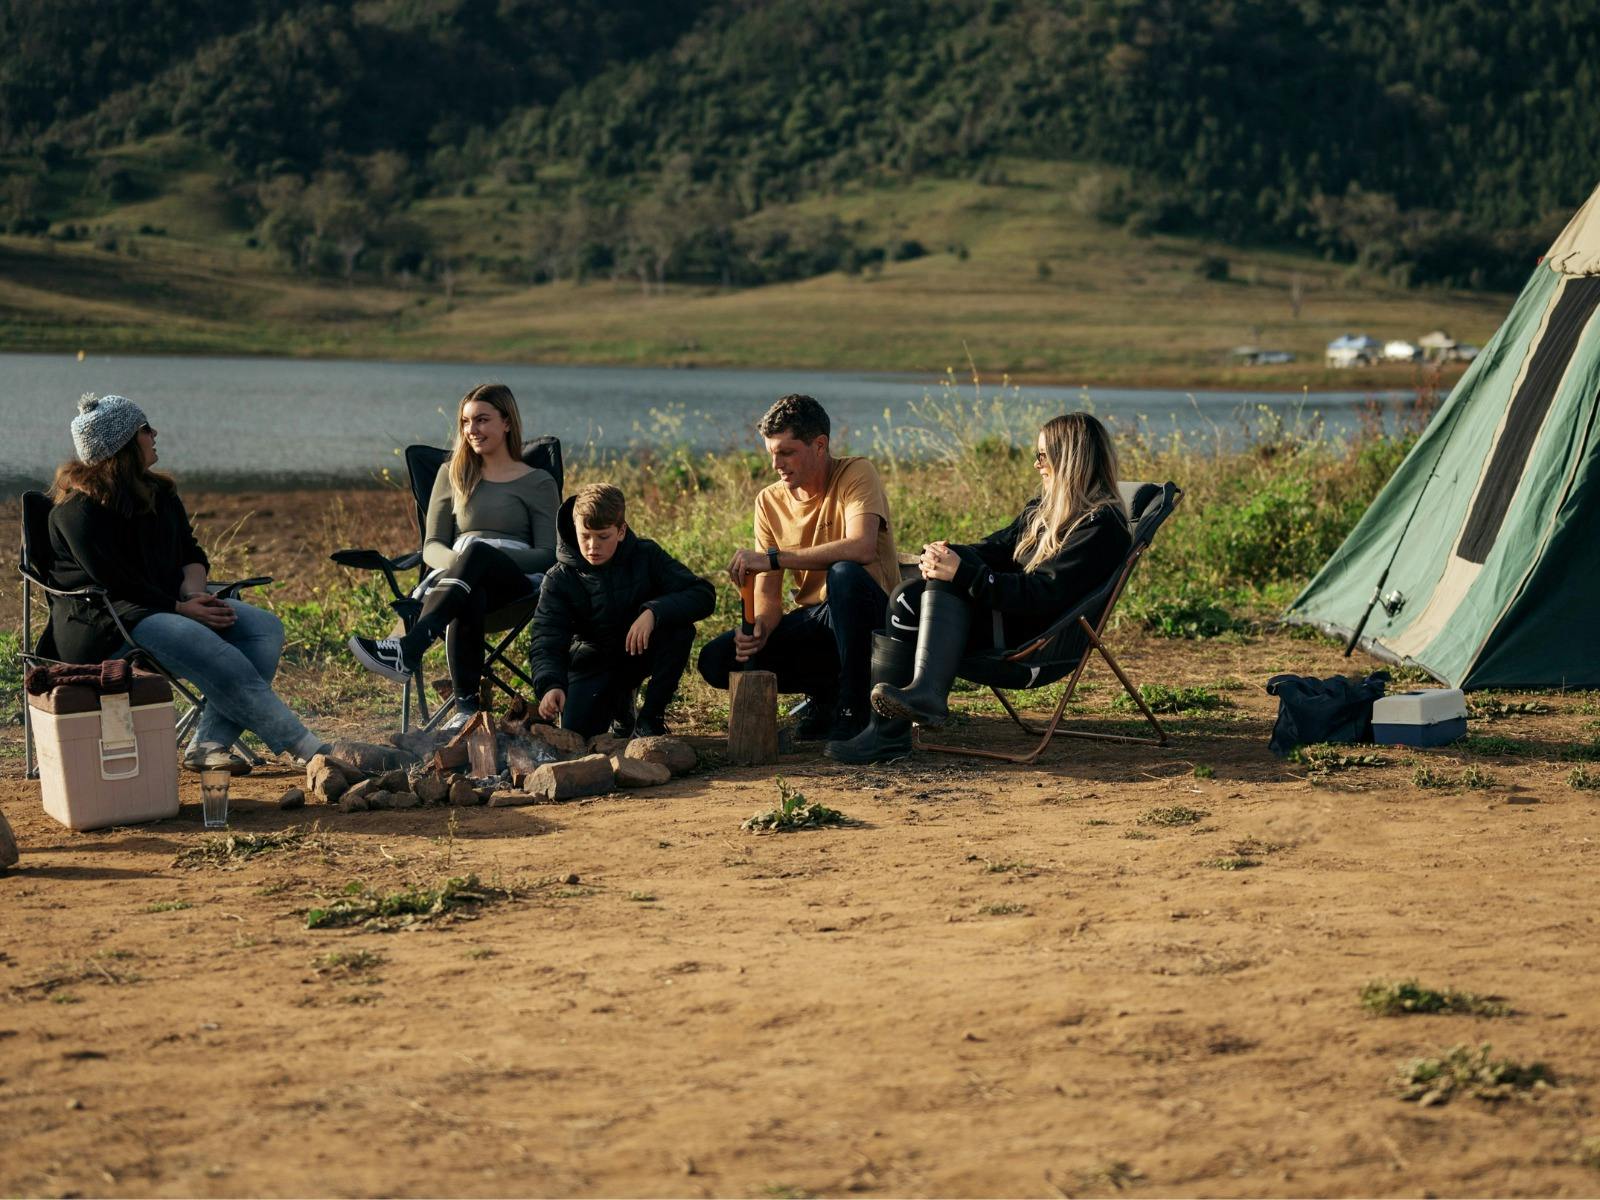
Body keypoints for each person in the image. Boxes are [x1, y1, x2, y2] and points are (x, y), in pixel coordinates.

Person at [826, 412, 1132, 764]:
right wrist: (949, 554)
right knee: (907, 596)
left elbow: (1043, 595)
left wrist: (963, 575)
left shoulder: (1101, 526)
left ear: (1071, 458)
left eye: (1043, 456)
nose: (1036, 465)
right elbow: (998, 549)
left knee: (948, 583)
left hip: (1033, 641)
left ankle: (925, 696)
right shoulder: (1046, 510)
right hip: (1008, 620)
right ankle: (885, 734)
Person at [46, 393, 330, 770]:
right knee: (205, 644)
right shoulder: (78, 512)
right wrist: (182, 609)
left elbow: (191, 553)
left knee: (263, 628)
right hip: (107, 623)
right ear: (124, 444)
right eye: (145, 429)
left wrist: (195, 593)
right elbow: (117, 582)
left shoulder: (159, 493)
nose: (155, 433)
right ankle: (308, 749)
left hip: (171, 607)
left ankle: (208, 745)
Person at [349, 383, 559, 729]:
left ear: (507, 422)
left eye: (481, 420)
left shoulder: (538, 482)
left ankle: (410, 647)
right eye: (465, 422)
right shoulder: (453, 474)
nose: (471, 430)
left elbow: (548, 555)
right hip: (459, 584)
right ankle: (466, 709)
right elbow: (432, 546)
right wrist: (465, 567)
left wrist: (486, 556)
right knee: (470, 588)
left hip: (517, 585)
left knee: (477, 552)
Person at [696, 394, 900, 741]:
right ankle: (826, 697)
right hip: (819, 622)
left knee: (844, 575)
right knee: (715, 659)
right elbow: (769, 598)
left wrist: (774, 558)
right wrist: (759, 628)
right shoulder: (768, 500)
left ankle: (854, 713)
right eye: (771, 452)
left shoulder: (856, 472)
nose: (776, 463)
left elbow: (862, 547)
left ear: (819, 445)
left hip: (873, 622)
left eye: (787, 452)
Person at [531, 483, 715, 738]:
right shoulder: (558, 578)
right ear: (575, 529)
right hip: (591, 662)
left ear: (621, 531)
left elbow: (702, 594)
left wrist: (653, 612)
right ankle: (621, 708)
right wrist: (550, 685)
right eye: (585, 536)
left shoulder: (646, 555)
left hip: (637, 653)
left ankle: (650, 719)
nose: (593, 546)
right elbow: (545, 638)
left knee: (679, 631)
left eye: (603, 536)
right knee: (577, 734)